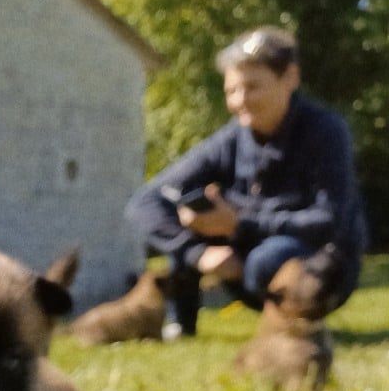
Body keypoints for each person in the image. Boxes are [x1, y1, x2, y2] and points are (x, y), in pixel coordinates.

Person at [125, 26, 368, 337]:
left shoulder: (326, 131)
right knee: (187, 211)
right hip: (246, 256)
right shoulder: (231, 139)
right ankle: (180, 325)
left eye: (253, 87)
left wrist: (240, 224)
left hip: (322, 263)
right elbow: (145, 202)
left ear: (290, 79)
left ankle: (301, 320)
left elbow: (330, 220)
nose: (241, 101)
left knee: (264, 262)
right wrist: (197, 253)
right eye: (231, 91)